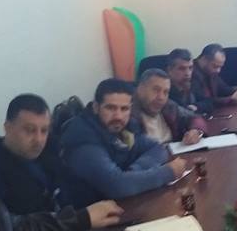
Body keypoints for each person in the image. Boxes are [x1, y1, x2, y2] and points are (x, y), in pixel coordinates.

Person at [60, 78, 188, 200]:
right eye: (110, 108)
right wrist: (168, 172)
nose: (118, 116)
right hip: (95, 209)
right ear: (96, 107)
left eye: (124, 109)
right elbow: (116, 186)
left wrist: (134, 170)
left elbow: (157, 148)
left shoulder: (126, 127)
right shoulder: (83, 139)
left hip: (125, 202)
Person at [0, 93, 74, 215]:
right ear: (7, 128)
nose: (39, 139)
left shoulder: (51, 148)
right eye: (30, 130)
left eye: (44, 130)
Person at [129, 69, 206, 144]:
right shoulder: (127, 113)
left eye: (165, 92)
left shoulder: (169, 107)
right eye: (156, 90)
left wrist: (196, 131)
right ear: (140, 89)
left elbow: (194, 117)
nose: (161, 97)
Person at [191, 44, 237, 113]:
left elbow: (223, 88)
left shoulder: (210, 71)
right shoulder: (190, 72)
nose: (218, 71)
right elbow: (203, 101)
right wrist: (230, 99)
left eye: (220, 67)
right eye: (215, 66)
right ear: (204, 59)